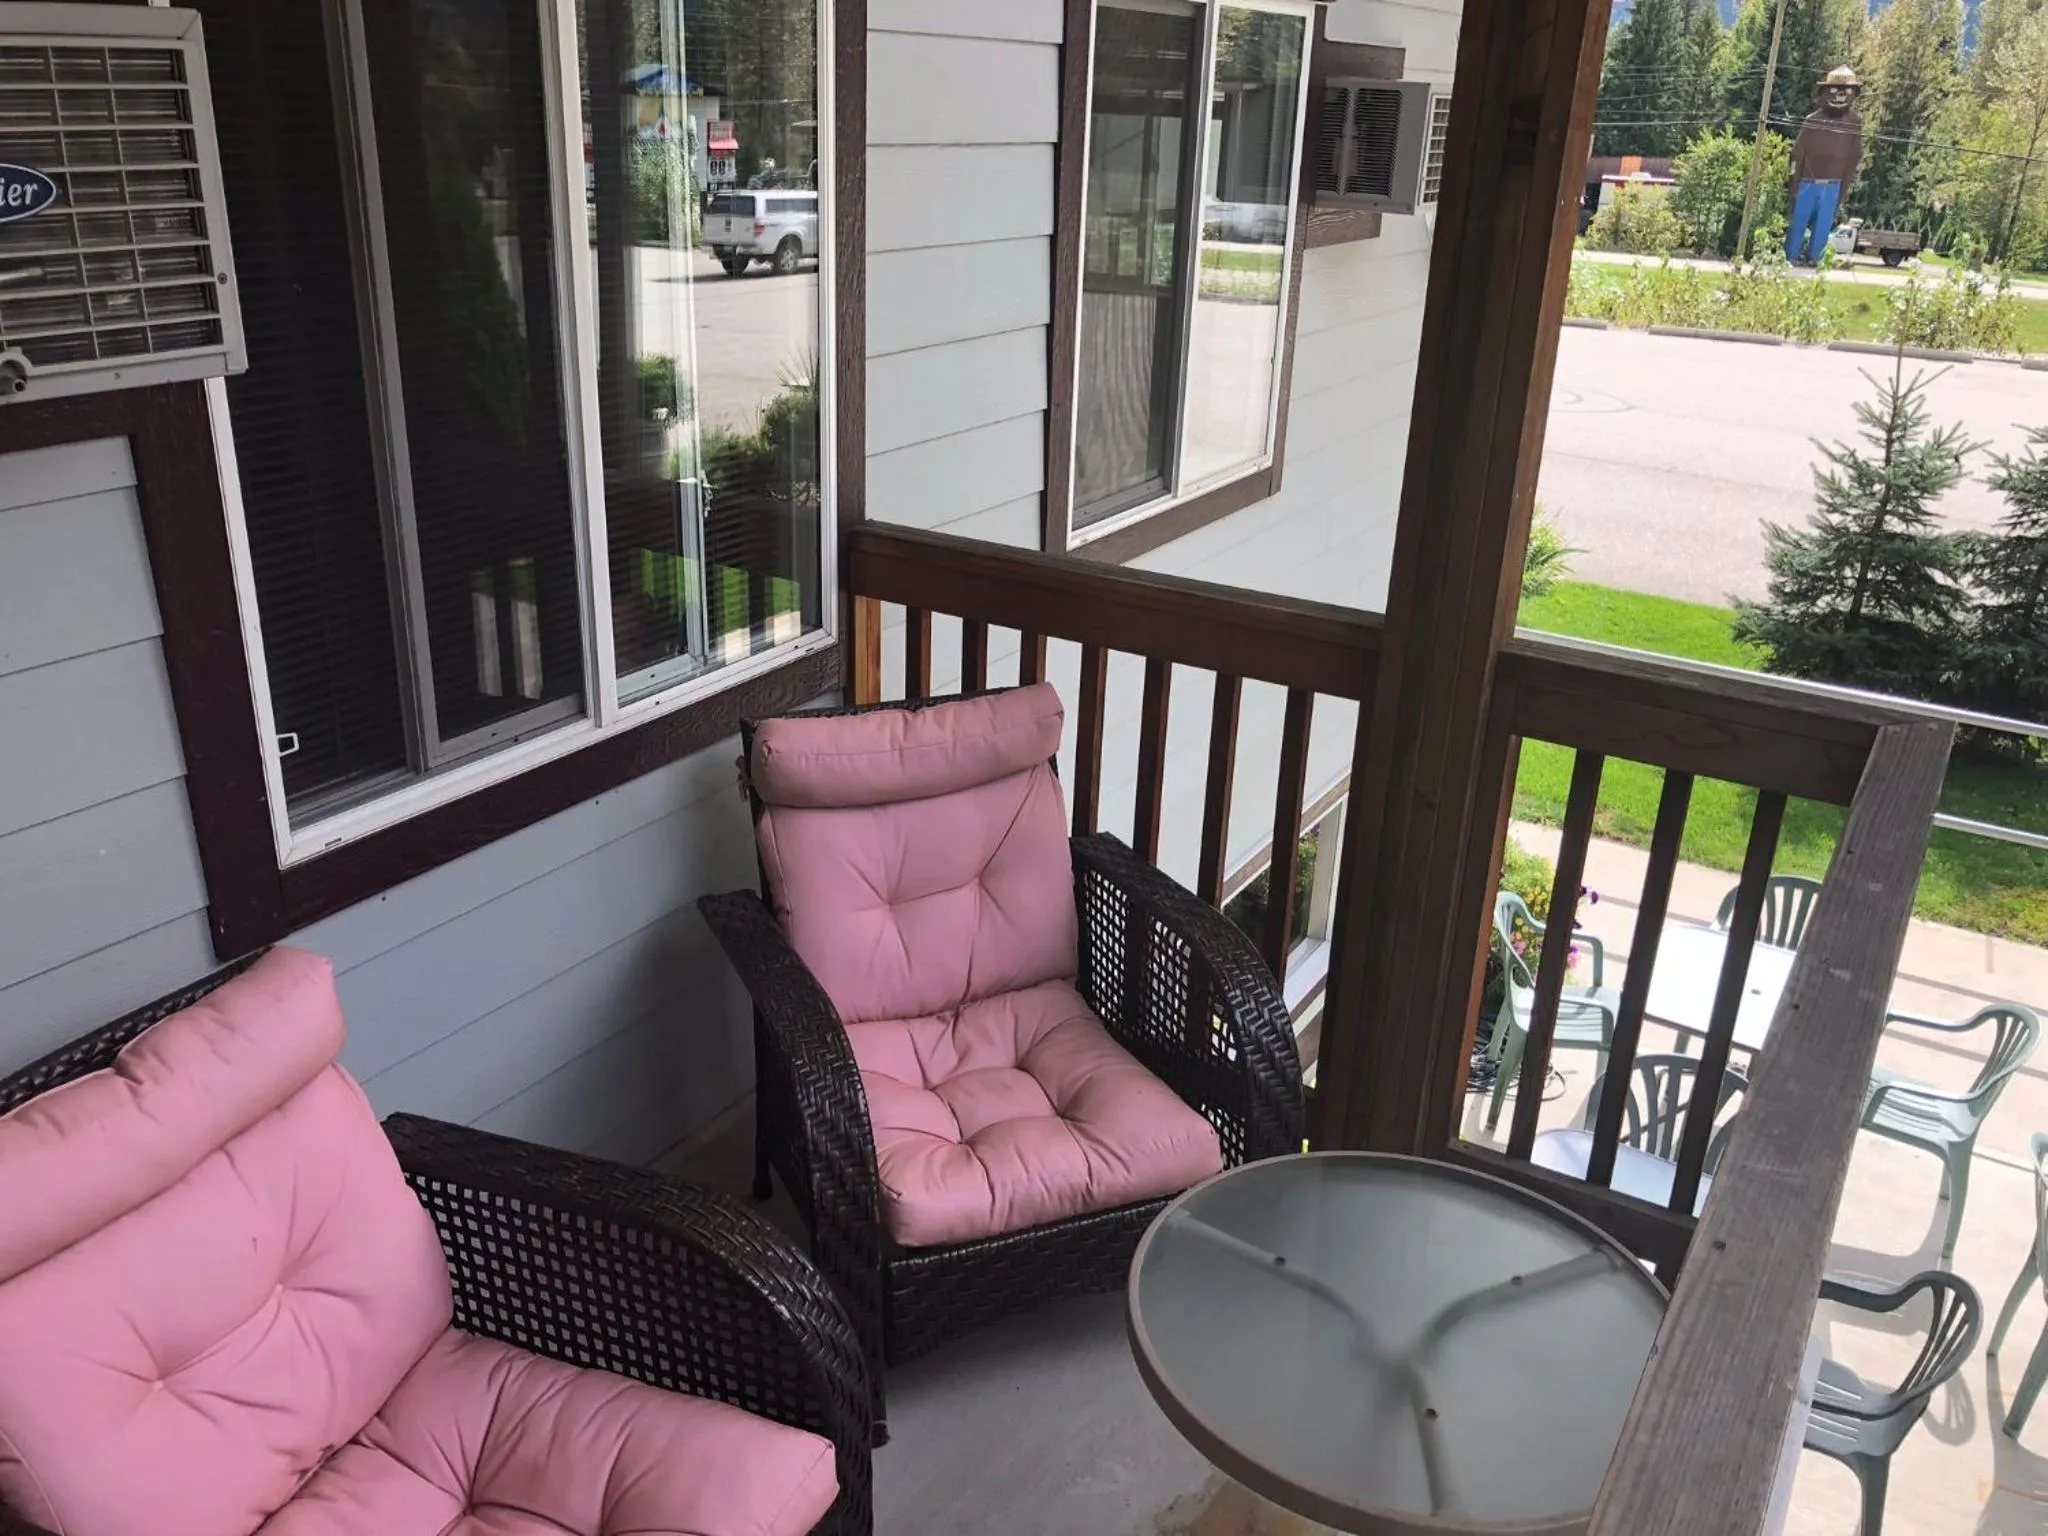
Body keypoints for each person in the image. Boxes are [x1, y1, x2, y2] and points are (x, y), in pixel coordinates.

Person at [1786, 66, 1863, 265]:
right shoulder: (1812, 120)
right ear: (1823, 93)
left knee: (1823, 225)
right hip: (1807, 183)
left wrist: (1844, 190)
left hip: (1833, 185)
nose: (1839, 96)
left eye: (1845, 91)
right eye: (1835, 90)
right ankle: (1791, 256)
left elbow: (1854, 158)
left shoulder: (1854, 123)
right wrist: (1793, 184)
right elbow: (1797, 155)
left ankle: (1815, 258)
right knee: (1799, 222)